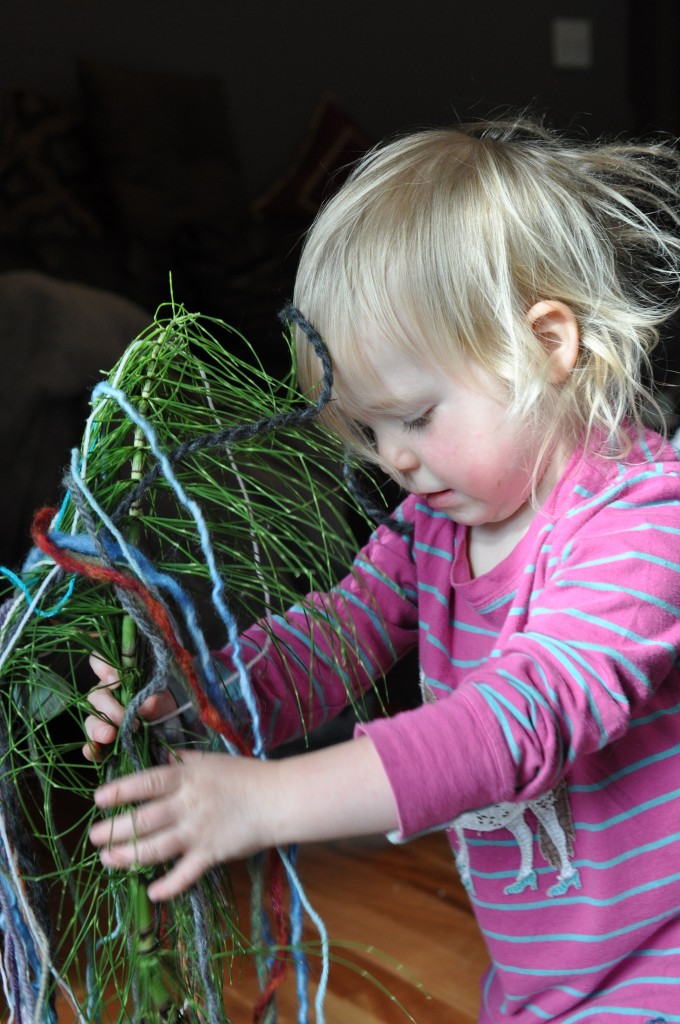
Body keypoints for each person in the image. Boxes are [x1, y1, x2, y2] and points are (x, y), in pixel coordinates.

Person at [84, 115, 680, 1022]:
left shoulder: (641, 520)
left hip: (659, 956)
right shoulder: (431, 531)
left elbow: (523, 718)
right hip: (538, 976)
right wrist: (195, 698)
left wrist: (270, 802)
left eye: (415, 415)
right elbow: (330, 639)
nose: (393, 457)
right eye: (371, 430)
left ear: (547, 345)